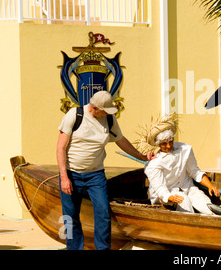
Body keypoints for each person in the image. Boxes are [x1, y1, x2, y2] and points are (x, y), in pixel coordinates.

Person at [56, 91, 153, 250]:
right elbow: (60, 148)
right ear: (94, 108)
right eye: (105, 110)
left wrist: (142, 156)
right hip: (71, 173)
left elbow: (121, 140)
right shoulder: (74, 115)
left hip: (95, 175)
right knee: (70, 217)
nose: (108, 113)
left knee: (103, 214)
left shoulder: (109, 119)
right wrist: (64, 177)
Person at [140, 113, 220, 214]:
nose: (168, 146)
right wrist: (170, 197)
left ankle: (214, 218)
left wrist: (210, 186)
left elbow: (195, 171)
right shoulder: (153, 164)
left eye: (171, 141)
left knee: (207, 205)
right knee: (184, 201)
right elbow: (160, 189)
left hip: (188, 187)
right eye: (164, 143)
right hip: (169, 193)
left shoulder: (185, 149)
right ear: (158, 144)